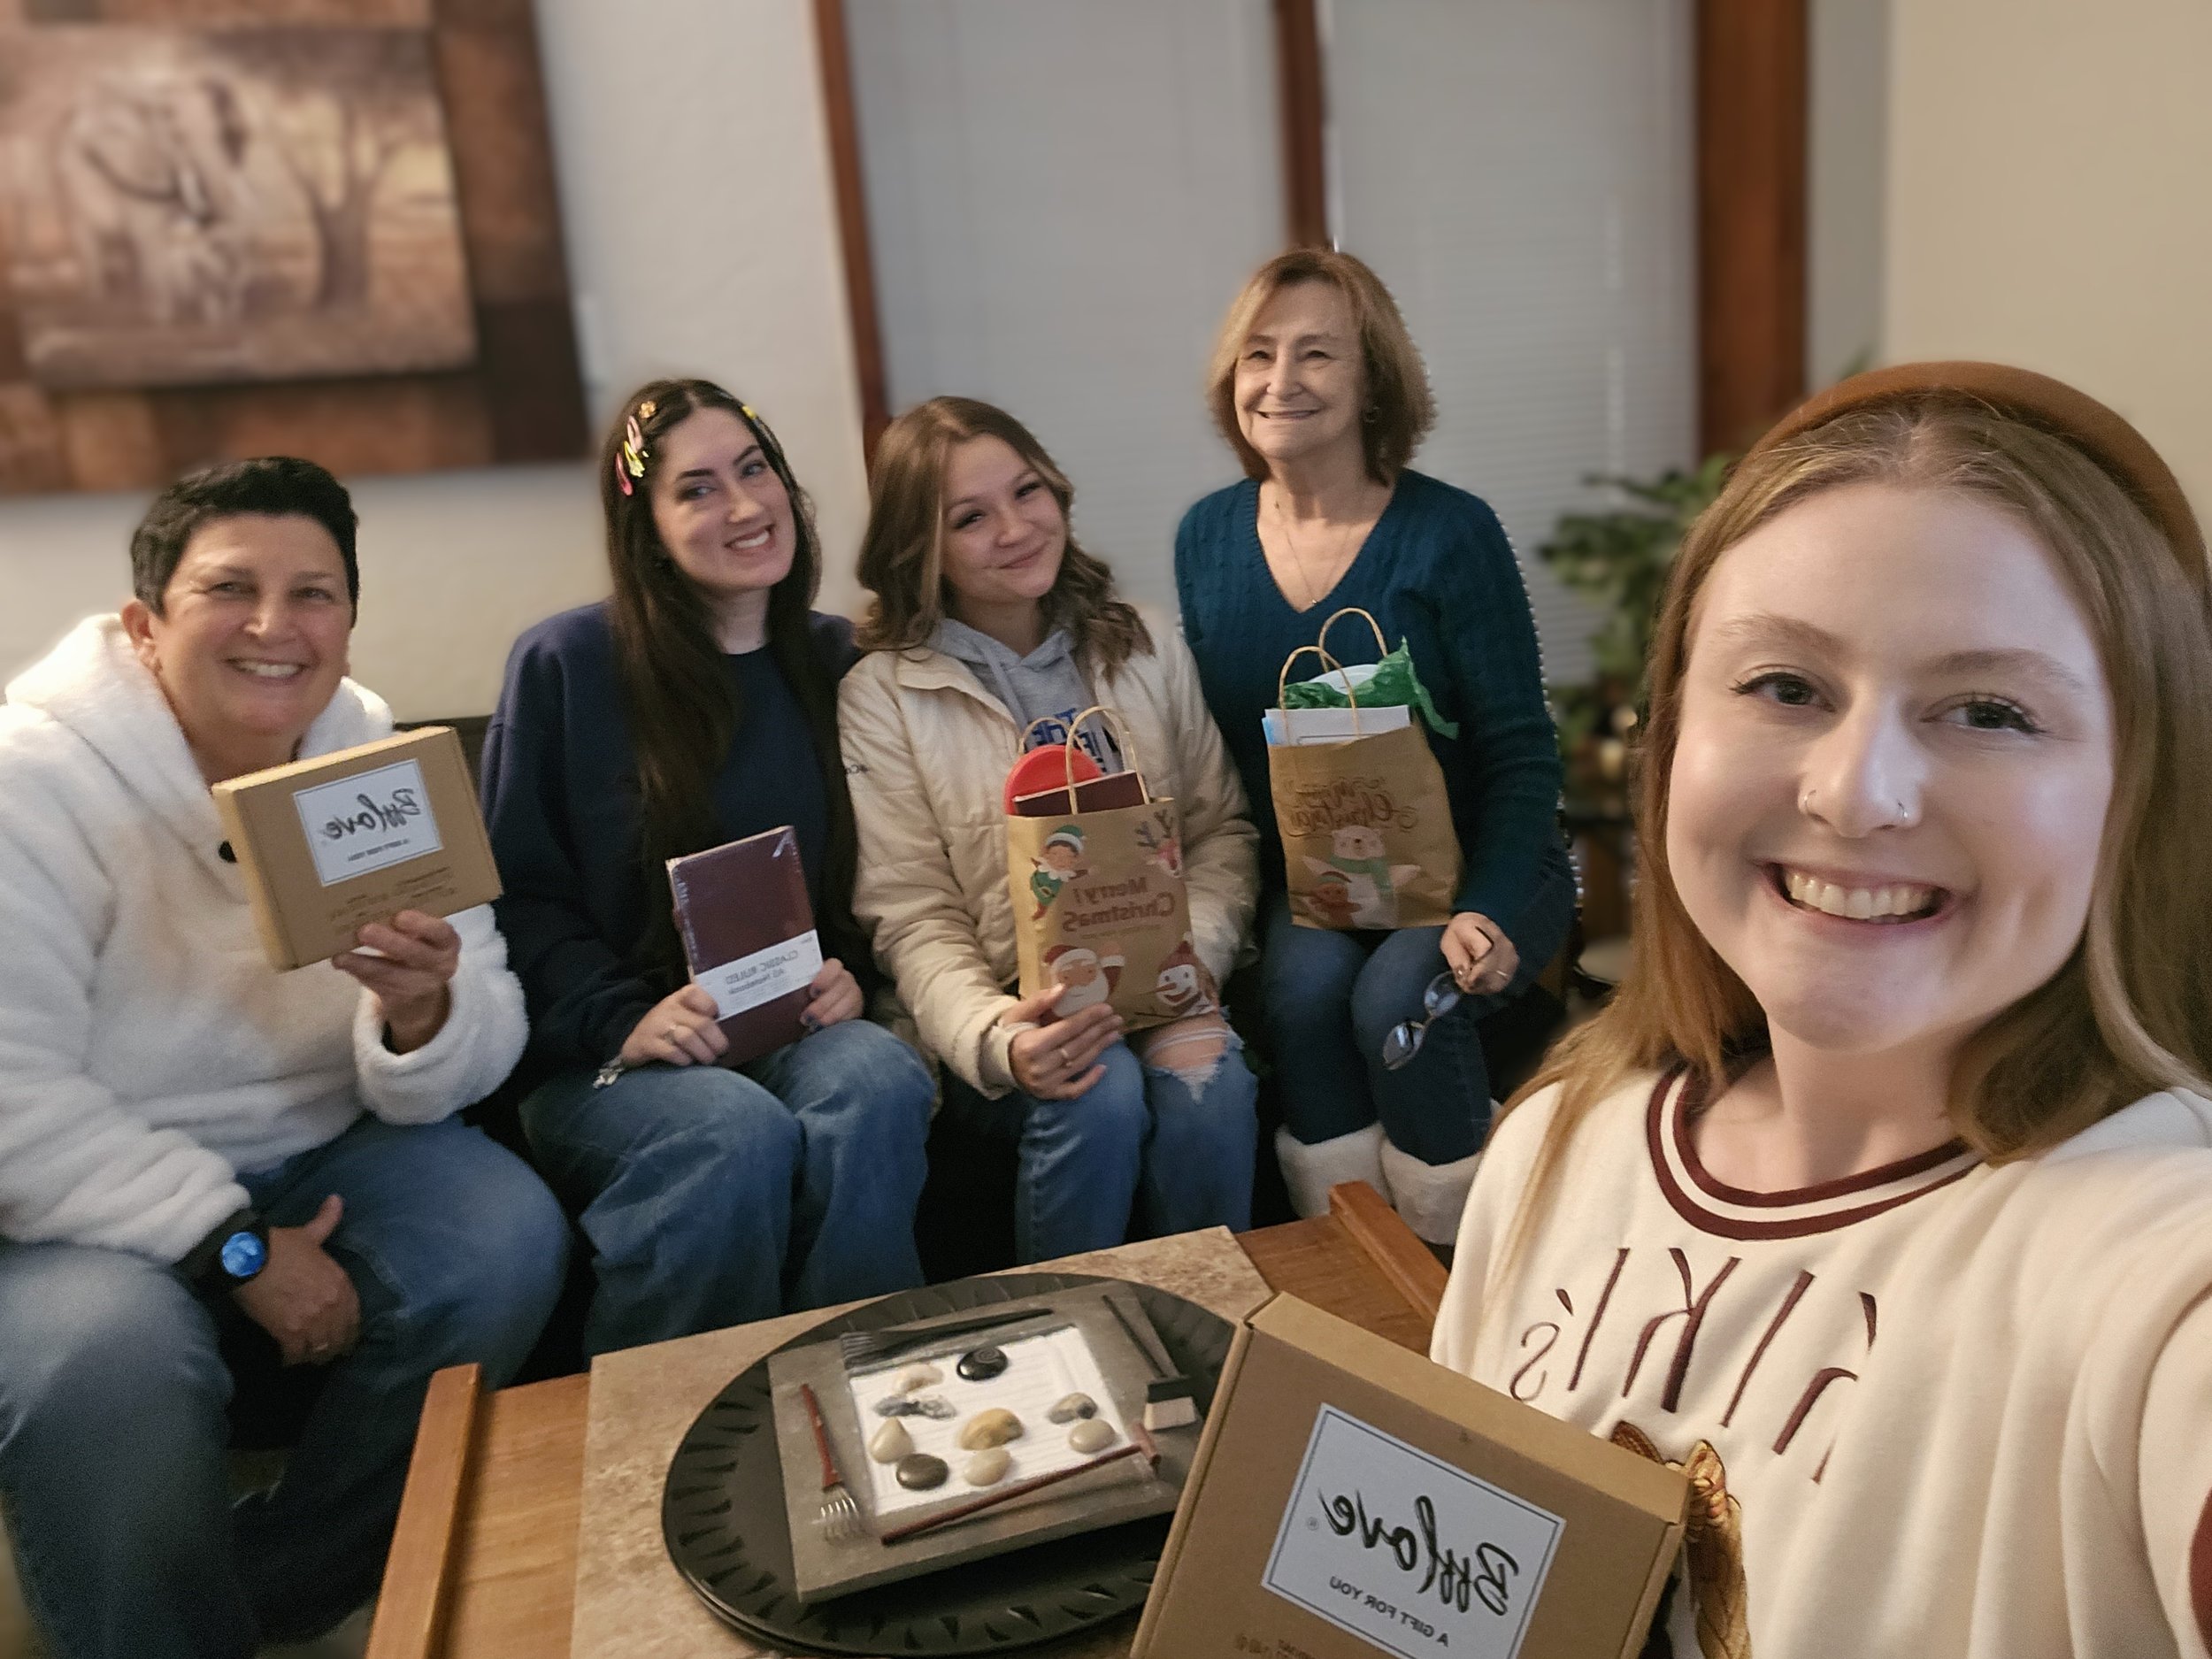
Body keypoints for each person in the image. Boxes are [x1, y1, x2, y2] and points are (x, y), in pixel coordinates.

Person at [1431, 364, 2212, 1657]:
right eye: (1785, 686)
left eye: (1990, 711)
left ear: (2140, 793)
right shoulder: (1559, 1144)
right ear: (1669, 733)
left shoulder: (2148, 1259)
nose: (1855, 794)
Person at [0, 457, 568, 1658]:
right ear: (145, 625)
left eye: (313, 593)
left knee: (504, 1233)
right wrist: (237, 1247)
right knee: (107, 1363)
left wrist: (425, 1011)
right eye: (229, 589)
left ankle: (286, 1583)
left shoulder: (367, 761)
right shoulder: (30, 783)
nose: (275, 626)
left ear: (348, 621)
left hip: (321, 1142)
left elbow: (491, 1022)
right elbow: (14, 1100)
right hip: (81, 1199)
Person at [480, 379, 933, 1355]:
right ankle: (673, 1425)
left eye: (755, 470)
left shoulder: (838, 662)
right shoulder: (565, 664)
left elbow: (885, 862)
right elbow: (514, 899)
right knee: (729, 1130)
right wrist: (621, 1019)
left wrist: (853, 971)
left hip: (790, 1021)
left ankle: (864, 1388)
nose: (743, 505)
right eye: (697, 489)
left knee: (879, 1078)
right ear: (646, 527)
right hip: (610, 1055)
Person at [1175, 248, 1577, 1244]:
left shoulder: (1451, 533)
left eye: (1317, 353)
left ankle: (1460, 1261)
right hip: (1325, 881)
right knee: (1300, 994)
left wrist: (1487, 906)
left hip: (1485, 863)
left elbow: (1523, 753)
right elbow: (1230, 762)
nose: (1281, 380)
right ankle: (1351, 1261)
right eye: (1259, 354)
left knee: (1399, 1000)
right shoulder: (1206, 538)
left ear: (1373, 383)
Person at [841, 396, 1260, 1262]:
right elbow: (913, 914)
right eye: (969, 518)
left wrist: (1194, 959)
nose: (1014, 528)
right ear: (921, 549)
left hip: (1163, 981)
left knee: (1209, 1086)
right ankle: (1072, 1329)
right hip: (1007, 1003)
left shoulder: (1144, 644)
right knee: (1098, 1091)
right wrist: (999, 1039)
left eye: (1026, 491)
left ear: (1057, 490)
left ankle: (1219, 1322)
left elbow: (1219, 832)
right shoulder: (883, 695)